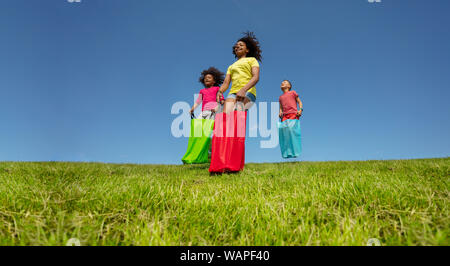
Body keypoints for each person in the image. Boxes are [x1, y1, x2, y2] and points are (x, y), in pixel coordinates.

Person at [217, 32, 262, 113]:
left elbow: (256, 77)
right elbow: (226, 83)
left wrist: (243, 90)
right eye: (236, 46)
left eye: (241, 45)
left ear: (247, 50)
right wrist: (220, 92)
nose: (238, 46)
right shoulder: (231, 66)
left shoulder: (252, 60)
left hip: (248, 91)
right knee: (225, 117)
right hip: (232, 93)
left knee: (237, 115)